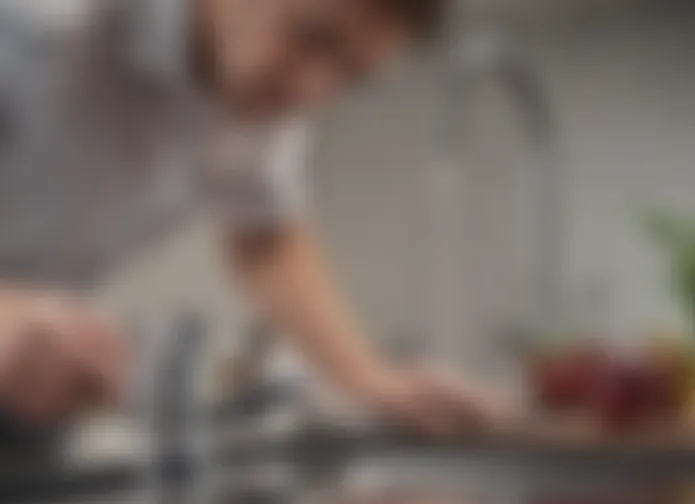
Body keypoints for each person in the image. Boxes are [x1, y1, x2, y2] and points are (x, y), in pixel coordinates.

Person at [0, 0, 510, 436]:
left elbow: (268, 237)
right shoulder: (37, 26)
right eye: (312, 37)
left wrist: (370, 382)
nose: (309, 91)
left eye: (351, 76)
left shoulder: (260, 89)